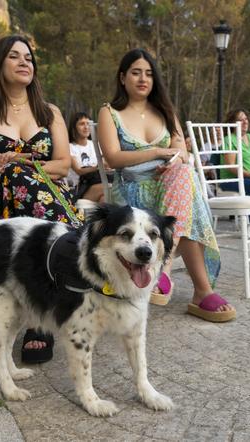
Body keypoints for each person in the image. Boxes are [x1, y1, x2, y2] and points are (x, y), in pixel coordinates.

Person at [0, 35, 82, 363]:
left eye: (28, 58)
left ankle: (39, 321)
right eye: (14, 57)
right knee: (14, 176)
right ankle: (48, 294)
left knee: (22, 175)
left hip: (47, 189)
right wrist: (3, 164)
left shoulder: (49, 112)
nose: (24, 62)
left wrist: (25, 163)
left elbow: (62, 163)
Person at [97, 48, 235, 322]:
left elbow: (182, 151)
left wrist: (171, 161)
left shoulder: (165, 110)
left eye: (148, 73)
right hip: (132, 190)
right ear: (122, 77)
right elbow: (113, 157)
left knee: (182, 174)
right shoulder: (110, 112)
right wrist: (158, 153)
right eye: (136, 72)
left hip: (170, 185)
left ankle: (164, 266)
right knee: (187, 198)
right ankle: (201, 291)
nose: (143, 79)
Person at [67, 112, 104, 202]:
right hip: (79, 188)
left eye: (88, 124)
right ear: (74, 127)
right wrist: (98, 167)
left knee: (104, 199)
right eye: (82, 124)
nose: (86, 127)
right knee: (108, 188)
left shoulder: (97, 145)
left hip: (97, 183)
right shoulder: (69, 147)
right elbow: (79, 171)